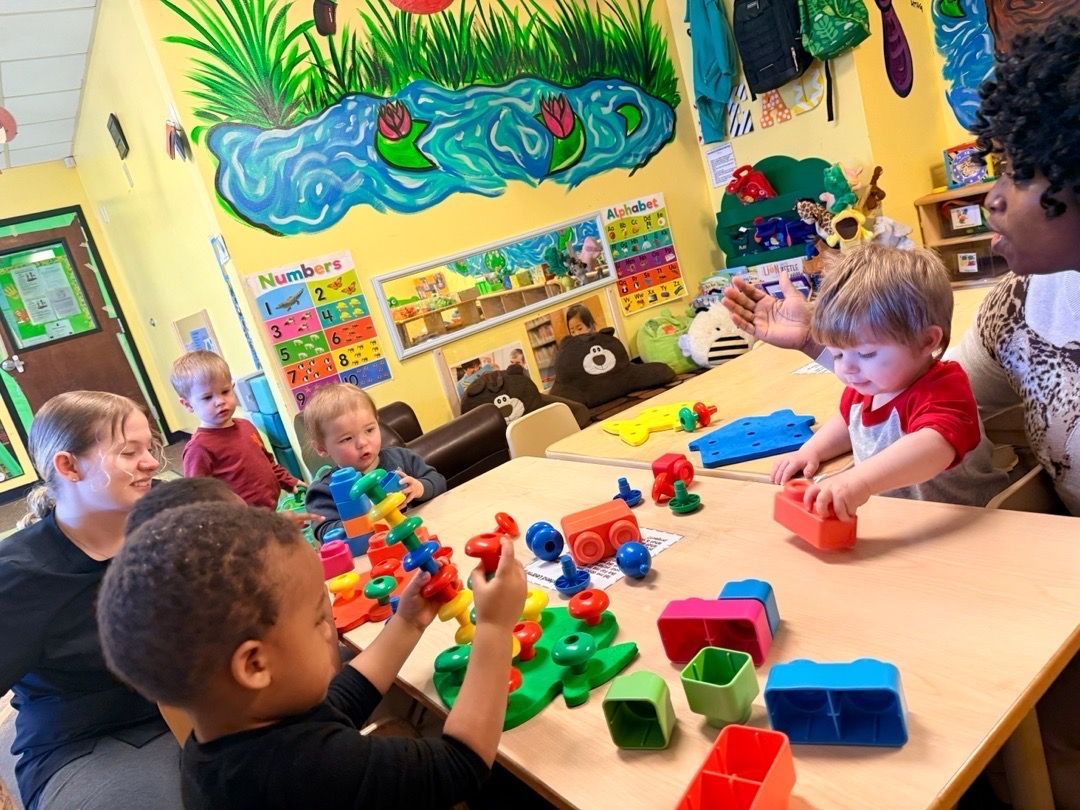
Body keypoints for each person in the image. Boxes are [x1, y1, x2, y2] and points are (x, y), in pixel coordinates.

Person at [724, 18, 1080, 806]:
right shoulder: (1024, 302)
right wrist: (824, 348)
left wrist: (853, 483)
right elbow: (925, 403)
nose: (991, 195)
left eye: (1020, 174)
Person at [96, 503, 527, 808]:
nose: (332, 628)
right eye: (320, 618)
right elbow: (461, 765)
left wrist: (409, 621)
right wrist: (494, 627)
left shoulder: (227, 734)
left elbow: (340, 702)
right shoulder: (304, 771)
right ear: (255, 664)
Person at [0, 391, 182, 810]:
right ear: (68, 466)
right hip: (88, 738)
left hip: (190, 704)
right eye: (129, 452)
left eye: (150, 448)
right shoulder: (20, 577)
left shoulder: (163, 523)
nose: (153, 463)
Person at [770, 245, 1006, 519]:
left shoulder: (945, 388)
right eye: (837, 353)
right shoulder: (868, 385)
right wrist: (810, 451)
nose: (846, 367)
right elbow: (849, 422)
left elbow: (934, 447)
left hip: (971, 519)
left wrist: (859, 481)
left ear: (927, 341)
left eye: (866, 353)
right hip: (902, 519)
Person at [303, 384, 447, 542]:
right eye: (347, 439)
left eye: (370, 430)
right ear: (322, 448)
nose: (363, 443)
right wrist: (365, 519)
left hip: (419, 537)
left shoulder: (401, 457)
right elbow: (324, 532)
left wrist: (420, 488)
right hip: (374, 557)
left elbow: (438, 481)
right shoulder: (324, 491)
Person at [171, 351, 303, 512]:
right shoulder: (198, 448)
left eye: (225, 392)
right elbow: (197, 498)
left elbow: (267, 462)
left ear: (233, 388)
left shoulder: (246, 426)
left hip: (268, 513)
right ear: (187, 405)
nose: (220, 401)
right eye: (207, 398)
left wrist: (288, 480)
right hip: (239, 523)